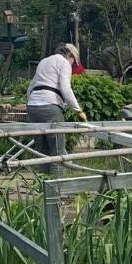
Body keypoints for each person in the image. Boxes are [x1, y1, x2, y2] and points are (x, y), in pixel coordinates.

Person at [26, 43, 87, 175]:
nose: (72, 65)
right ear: (69, 55)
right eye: (73, 62)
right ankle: (56, 192)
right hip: (50, 108)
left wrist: (33, 104)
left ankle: (43, 191)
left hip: (33, 108)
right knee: (58, 155)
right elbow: (66, 88)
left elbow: (30, 88)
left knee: (43, 154)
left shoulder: (43, 62)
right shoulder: (64, 63)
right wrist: (78, 110)